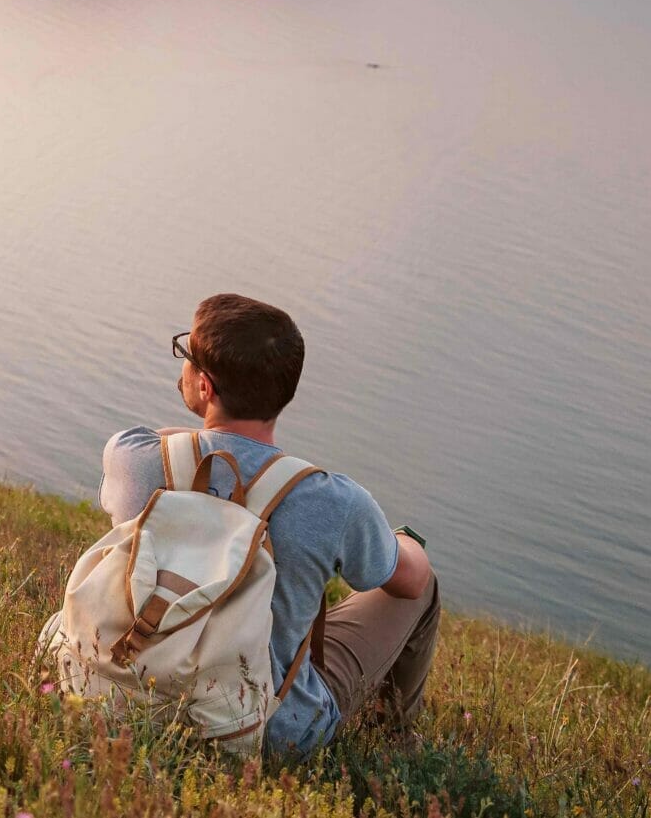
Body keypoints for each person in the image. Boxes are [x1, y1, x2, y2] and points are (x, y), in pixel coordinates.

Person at [99, 293, 440, 756]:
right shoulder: (331, 500)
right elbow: (410, 582)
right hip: (269, 731)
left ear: (205, 386)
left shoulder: (134, 459)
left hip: (126, 691)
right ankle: (397, 743)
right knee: (427, 584)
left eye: (185, 354)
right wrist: (400, 542)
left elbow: (167, 441)